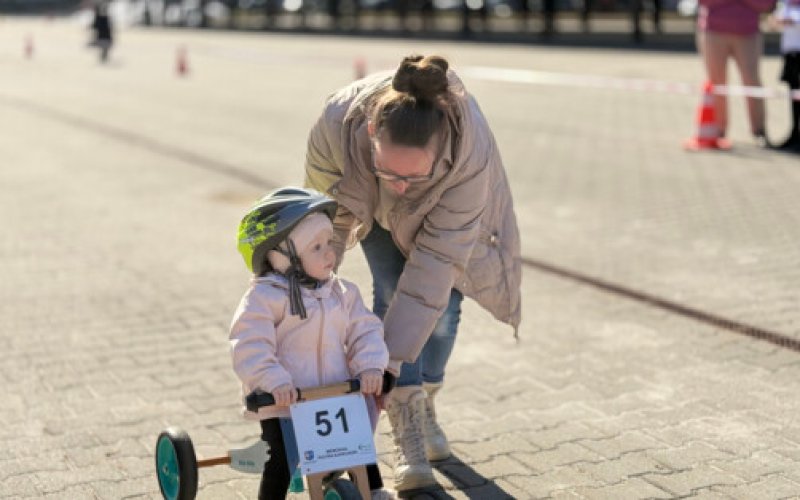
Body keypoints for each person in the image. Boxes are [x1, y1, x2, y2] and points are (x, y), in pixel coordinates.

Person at [303, 55, 522, 494]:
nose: (400, 186)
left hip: (448, 213)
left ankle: (423, 403)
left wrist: (388, 366)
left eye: (412, 176)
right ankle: (409, 432)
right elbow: (323, 219)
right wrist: (307, 295)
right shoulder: (335, 124)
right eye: (390, 172)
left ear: (440, 149)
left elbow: (432, 274)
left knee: (440, 314)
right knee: (390, 290)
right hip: (374, 211)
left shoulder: (467, 158)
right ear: (370, 134)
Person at [230, 188, 394, 500]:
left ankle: (372, 489)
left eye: (329, 243)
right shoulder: (264, 298)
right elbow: (249, 344)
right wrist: (273, 380)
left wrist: (371, 365)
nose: (330, 254)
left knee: (358, 441)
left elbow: (365, 330)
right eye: (316, 247)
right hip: (285, 401)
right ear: (282, 257)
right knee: (280, 458)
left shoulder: (341, 293)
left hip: (334, 394)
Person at [696, 0, 776, 147]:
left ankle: (759, 130)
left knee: (752, 82)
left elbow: (766, 4)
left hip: (748, 33)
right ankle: (718, 130)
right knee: (717, 83)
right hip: (714, 32)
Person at [770, 0, 800, 150]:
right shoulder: (788, 3)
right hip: (790, 53)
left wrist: (792, 20)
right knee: (794, 96)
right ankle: (795, 133)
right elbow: (776, 19)